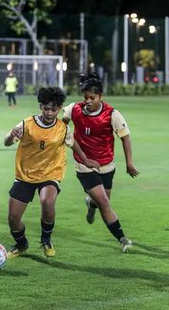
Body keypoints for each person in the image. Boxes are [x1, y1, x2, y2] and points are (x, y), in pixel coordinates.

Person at [4, 87, 99, 258]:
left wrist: (85, 160)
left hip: (51, 172)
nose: (49, 113)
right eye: (46, 108)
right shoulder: (27, 124)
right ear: (40, 106)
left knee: (47, 201)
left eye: (54, 109)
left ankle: (46, 239)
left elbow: (72, 143)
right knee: (13, 217)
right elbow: (6, 142)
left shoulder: (62, 128)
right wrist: (11, 135)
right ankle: (21, 243)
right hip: (25, 174)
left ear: (59, 108)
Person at [62, 73, 139, 253]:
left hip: (107, 165)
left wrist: (129, 163)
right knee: (105, 202)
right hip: (84, 165)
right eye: (85, 97)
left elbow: (125, 138)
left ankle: (90, 204)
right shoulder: (74, 109)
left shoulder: (112, 114)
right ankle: (122, 239)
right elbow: (60, 126)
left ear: (100, 96)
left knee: (102, 201)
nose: (88, 101)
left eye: (92, 98)